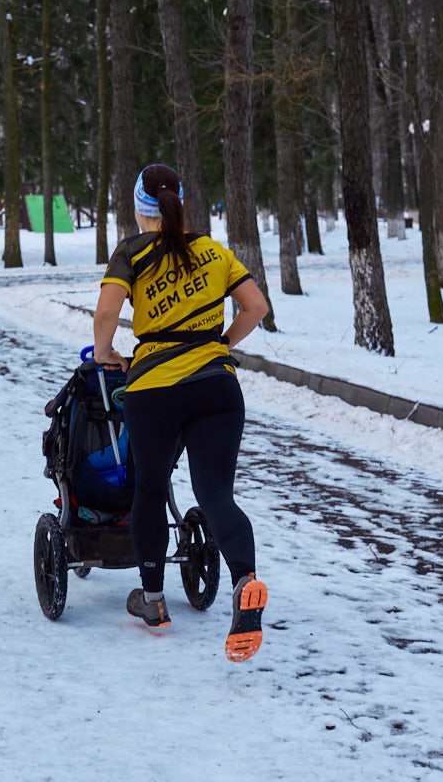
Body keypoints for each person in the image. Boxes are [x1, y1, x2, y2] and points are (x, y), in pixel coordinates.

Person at [93, 163, 270, 662]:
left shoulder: (132, 251)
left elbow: (108, 312)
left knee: (149, 488)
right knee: (216, 494)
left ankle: (152, 602)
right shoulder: (212, 250)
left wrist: (106, 352)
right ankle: (244, 583)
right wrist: (222, 345)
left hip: (155, 388)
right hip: (217, 386)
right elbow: (255, 306)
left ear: (138, 208)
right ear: (182, 203)